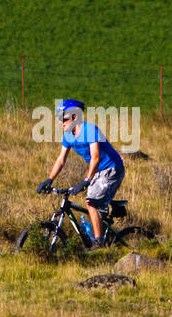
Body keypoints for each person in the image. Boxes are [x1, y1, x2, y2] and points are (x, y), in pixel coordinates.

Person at [37, 99, 125, 249]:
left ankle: (97, 243)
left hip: (112, 168)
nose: (61, 122)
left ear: (75, 117)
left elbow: (96, 157)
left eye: (63, 118)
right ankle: (106, 245)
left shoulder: (89, 130)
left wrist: (86, 180)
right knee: (97, 209)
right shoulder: (68, 136)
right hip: (98, 171)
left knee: (90, 201)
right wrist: (49, 179)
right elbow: (61, 159)